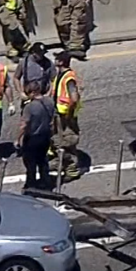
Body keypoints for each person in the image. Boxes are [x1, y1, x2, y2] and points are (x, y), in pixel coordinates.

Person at [51, 52, 83, 181]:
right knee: (58, 140)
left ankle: (72, 170)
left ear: (61, 62)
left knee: (68, 141)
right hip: (59, 114)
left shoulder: (69, 78)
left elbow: (74, 99)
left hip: (66, 116)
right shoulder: (60, 75)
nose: (54, 60)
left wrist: (69, 115)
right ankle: (61, 162)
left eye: (57, 58)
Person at [18, 81, 56, 191]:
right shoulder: (49, 102)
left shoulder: (29, 107)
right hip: (46, 136)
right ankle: (46, 182)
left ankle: (31, 185)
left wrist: (18, 139)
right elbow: (53, 119)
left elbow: (24, 125)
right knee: (43, 160)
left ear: (32, 92)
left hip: (32, 138)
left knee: (30, 163)